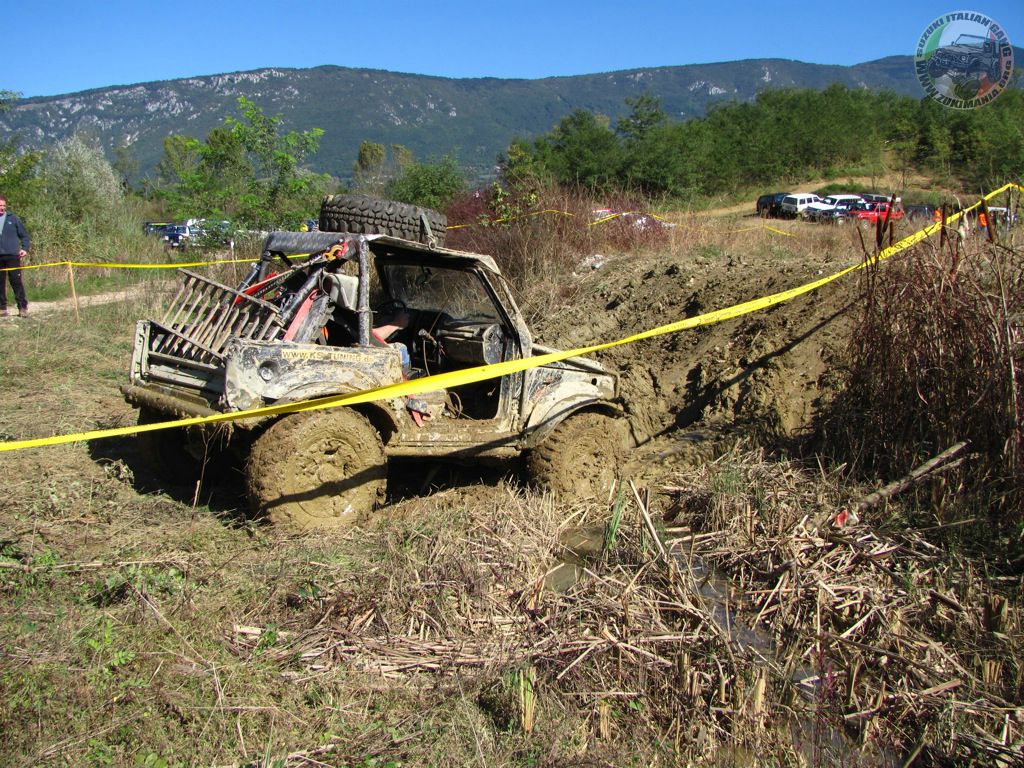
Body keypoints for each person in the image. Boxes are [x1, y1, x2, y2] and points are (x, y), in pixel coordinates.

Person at [0, 195, 30, 317]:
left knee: (16, 281)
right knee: (0, 283)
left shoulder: (13, 219)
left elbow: (24, 235)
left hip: (12, 256)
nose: (1, 208)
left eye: (3, 206)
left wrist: (25, 248)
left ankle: (22, 307)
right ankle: (2, 308)